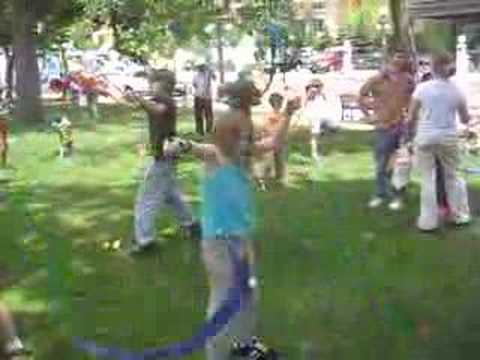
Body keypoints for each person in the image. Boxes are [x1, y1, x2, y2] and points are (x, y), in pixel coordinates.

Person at [180, 94, 300, 360]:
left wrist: (288, 114)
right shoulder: (216, 155)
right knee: (224, 299)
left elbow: (274, 142)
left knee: (249, 294)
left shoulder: (243, 154)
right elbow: (193, 147)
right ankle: (217, 353)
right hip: (219, 242)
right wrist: (180, 145)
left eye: (248, 136)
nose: (247, 142)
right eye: (241, 136)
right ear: (225, 138)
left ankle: (244, 344)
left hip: (241, 238)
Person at [125, 69, 199, 254]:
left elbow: (157, 111)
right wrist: (133, 98)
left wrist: (138, 98)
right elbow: (146, 107)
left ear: (162, 84)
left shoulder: (164, 100)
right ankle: (191, 224)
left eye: (152, 83)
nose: (150, 86)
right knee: (171, 194)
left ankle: (145, 241)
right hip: (167, 156)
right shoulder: (160, 99)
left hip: (163, 156)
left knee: (145, 199)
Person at [407, 52, 471, 231]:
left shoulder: (422, 88)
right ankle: (459, 215)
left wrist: (409, 132)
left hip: (426, 136)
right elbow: (465, 119)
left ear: (433, 68)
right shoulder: (457, 90)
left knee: (428, 178)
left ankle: (427, 222)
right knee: (453, 176)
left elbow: (411, 116)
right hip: (448, 137)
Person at [359, 49, 415, 211]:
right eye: (397, 56)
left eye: (403, 57)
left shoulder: (409, 81)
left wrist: (410, 118)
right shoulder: (378, 79)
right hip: (383, 126)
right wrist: (369, 114)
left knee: (401, 164)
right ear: (391, 59)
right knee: (382, 163)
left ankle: (397, 195)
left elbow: (415, 101)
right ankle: (380, 193)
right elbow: (361, 96)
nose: (400, 59)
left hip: (402, 126)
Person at [255, 92, 290, 187]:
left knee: (281, 160)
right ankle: (262, 180)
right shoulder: (270, 116)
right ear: (273, 103)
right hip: (270, 141)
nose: (280, 104)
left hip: (280, 141)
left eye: (281, 102)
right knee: (268, 162)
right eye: (278, 102)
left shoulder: (282, 115)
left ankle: (280, 179)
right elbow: (266, 129)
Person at [303, 79, 341, 161]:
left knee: (330, 131)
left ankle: (322, 151)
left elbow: (328, 105)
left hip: (324, 116)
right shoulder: (311, 94)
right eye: (316, 86)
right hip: (314, 117)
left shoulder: (323, 95)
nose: (318, 88)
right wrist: (311, 94)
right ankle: (315, 154)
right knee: (315, 136)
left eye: (319, 86)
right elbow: (306, 103)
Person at [193, 63, 216, 135]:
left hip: (207, 97)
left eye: (202, 67)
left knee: (208, 114)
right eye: (200, 67)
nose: (201, 68)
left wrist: (211, 72)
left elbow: (214, 78)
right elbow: (194, 84)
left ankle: (209, 130)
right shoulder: (196, 76)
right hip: (198, 96)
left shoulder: (209, 75)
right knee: (198, 114)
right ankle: (199, 131)